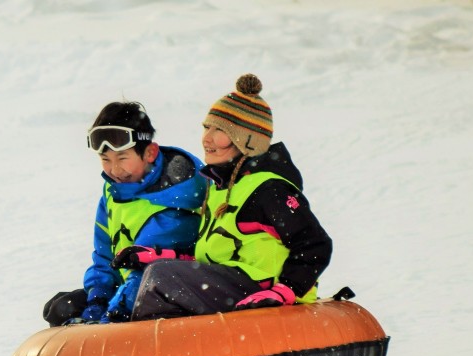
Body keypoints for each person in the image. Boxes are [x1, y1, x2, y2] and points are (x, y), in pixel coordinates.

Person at [125, 74, 333, 320]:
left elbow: (315, 244)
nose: (207, 138)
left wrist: (286, 289)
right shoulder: (220, 187)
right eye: (206, 127)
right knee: (155, 272)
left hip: (263, 291)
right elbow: (220, 257)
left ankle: (152, 352)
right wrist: (167, 256)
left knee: (162, 277)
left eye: (220, 130)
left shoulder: (268, 189)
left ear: (248, 141)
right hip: (238, 286)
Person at [42, 101, 207, 326]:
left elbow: (145, 273)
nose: (115, 170)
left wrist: (109, 318)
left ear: (150, 153)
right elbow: (103, 256)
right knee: (60, 308)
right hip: (127, 289)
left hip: (164, 293)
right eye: (105, 160)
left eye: (122, 158)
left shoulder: (176, 198)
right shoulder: (113, 193)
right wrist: (97, 300)